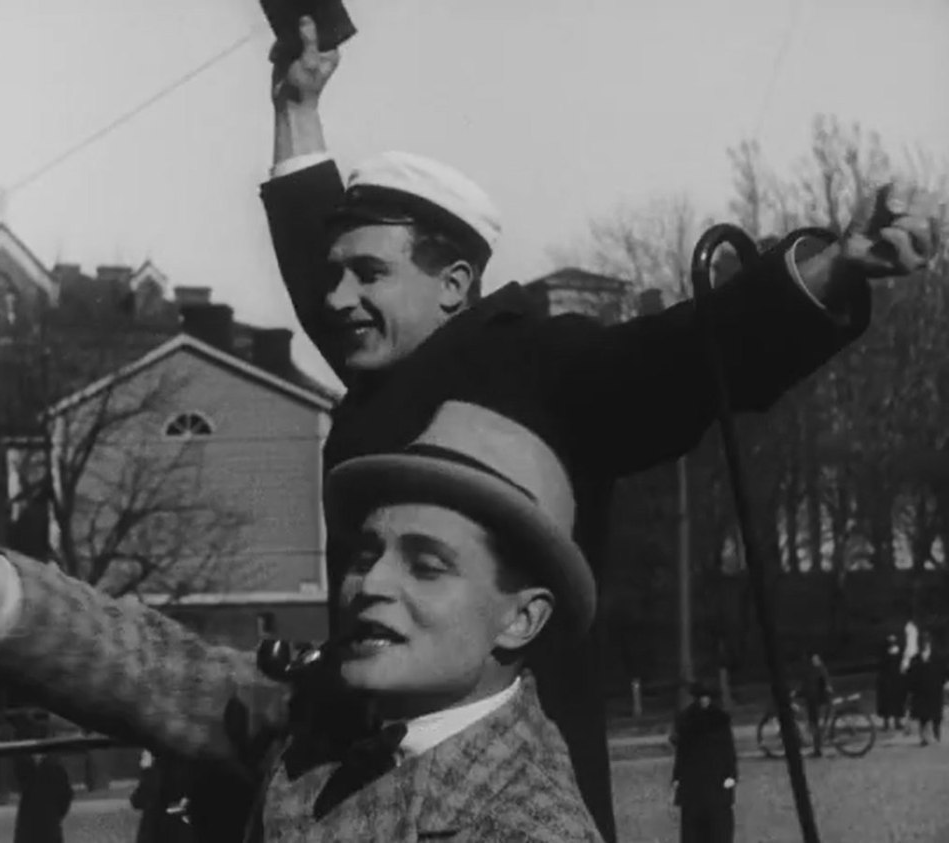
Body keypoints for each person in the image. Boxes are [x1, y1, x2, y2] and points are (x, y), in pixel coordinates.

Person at [261, 17, 939, 840]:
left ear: (456, 284)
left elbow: (682, 356)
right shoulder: (390, 371)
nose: (336, 300)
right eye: (334, 276)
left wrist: (835, 266)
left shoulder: (536, 363)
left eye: (369, 273)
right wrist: (297, 109)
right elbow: (317, 270)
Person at [0, 399, 606, 841]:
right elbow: (148, 670)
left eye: (426, 564)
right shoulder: (336, 712)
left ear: (521, 618)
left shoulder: (527, 826)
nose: (371, 582)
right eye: (368, 551)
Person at [671, 681, 737, 843]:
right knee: (694, 824)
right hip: (693, 779)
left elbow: (728, 749)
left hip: (716, 776)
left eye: (706, 697)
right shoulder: (687, 720)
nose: (704, 700)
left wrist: (731, 774)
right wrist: (677, 776)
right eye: (701, 697)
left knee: (718, 824)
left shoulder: (719, 720)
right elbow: (682, 752)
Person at [12, 738, 73, 843]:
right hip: (46, 824)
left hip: (35, 825)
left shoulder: (53, 769)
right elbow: (66, 797)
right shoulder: (56, 769)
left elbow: (66, 797)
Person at [906, 632, 946, 747]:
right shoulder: (916, 658)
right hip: (921, 690)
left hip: (934, 688)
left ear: (929, 643)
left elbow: (944, 672)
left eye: (926, 641)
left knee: (935, 713)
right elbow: (911, 674)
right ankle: (924, 737)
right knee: (922, 714)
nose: (924, 644)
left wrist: (940, 683)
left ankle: (936, 730)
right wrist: (912, 687)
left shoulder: (938, 657)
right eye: (922, 642)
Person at [797, 652, 833, 757]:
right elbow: (824, 681)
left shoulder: (812, 670)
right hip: (821, 698)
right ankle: (818, 746)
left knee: (814, 724)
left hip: (815, 699)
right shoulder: (821, 668)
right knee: (816, 724)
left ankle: (817, 750)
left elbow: (809, 686)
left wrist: (798, 693)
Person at [876, 633, 906, 730]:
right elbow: (881, 665)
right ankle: (886, 723)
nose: (892, 643)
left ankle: (897, 722)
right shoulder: (884, 652)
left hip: (897, 679)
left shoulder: (899, 651)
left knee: (897, 700)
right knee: (886, 702)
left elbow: (902, 664)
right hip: (886, 680)